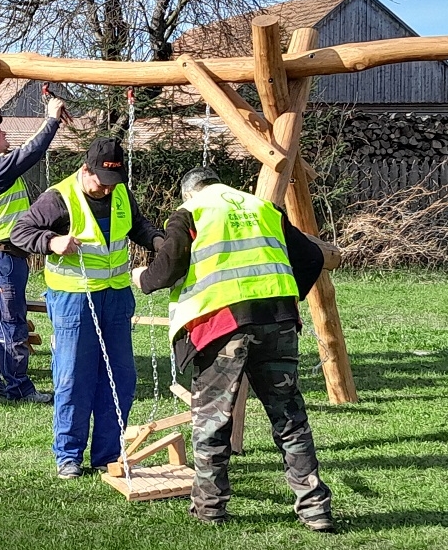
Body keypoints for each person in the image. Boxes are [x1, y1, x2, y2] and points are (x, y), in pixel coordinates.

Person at [130, 166, 336, 533]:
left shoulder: (191, 212)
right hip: (278, 320)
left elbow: (166, 269)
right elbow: (312, 258)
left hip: (221, 326)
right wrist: (287, 295)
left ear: (188, 193)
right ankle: (314, 509)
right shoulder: (264, 208)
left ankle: (209, 507)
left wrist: (142, 279)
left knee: (212, 420)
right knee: (289, 418)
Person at [10, 137, 165, 480]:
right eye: (100, 182)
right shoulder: (58, 198)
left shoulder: (120, 191)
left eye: (113, 183)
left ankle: (108, 454)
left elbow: (137, 225)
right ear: (85, 170)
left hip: (116, 297)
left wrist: (157, 241)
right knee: (74, 378)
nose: (107, 190)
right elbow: (20, 232)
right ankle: (68, 456)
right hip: (74, 299)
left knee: (120, 378)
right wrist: (52, 242)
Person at [0, 97, 68, 403]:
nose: (4, 132)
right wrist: (51, 120)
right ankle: (20, 388)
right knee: (11, 322)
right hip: (3, 258)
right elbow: (31, 152)